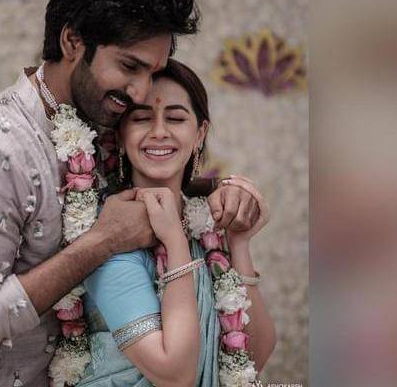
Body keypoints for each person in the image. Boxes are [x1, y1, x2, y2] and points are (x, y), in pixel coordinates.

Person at [0, 0, 263, 386]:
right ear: (72, 42)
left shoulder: (100, 121)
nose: (141, 92)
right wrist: (101, 243)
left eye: (152, 73)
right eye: (130, 66)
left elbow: (159, 173)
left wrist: (226, 190)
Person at [76, 59, 276, 386]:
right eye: (142, 118)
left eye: (176, 118)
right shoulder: (109, 235)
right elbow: (174, 375)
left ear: (200, 134)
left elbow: (254, 356)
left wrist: (239, 243)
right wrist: (175, 243)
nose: (159, 132)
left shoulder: (205, 224)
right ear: (121, 136)